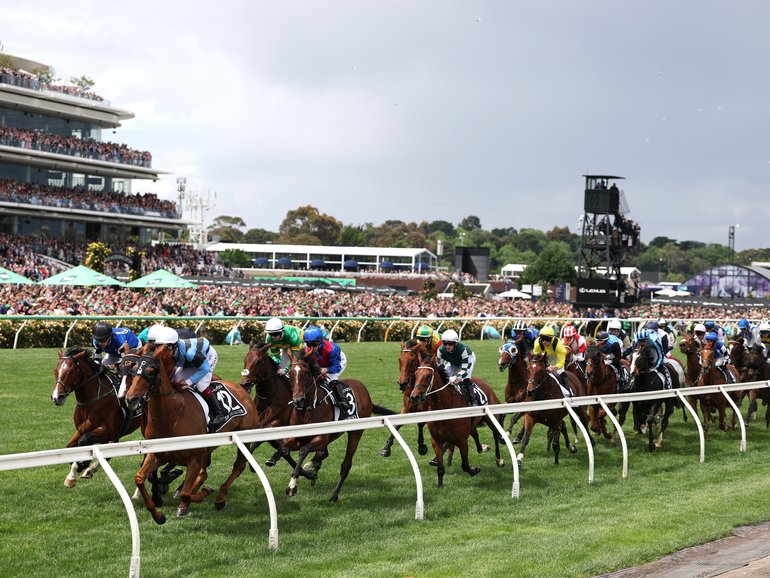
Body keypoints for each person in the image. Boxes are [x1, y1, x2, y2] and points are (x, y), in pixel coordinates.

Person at [152, 326, 225, 424]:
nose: (162, 351)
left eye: (167, 348)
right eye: (158, 346)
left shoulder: (190, 353)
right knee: (175, 381)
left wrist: (188, 382)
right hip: (189, 361)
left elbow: (205, 369)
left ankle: (219, 413)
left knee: (201, 385)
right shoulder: (171, 351)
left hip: (207, 357)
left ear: (175, 346)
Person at [301, 326, 350, 412]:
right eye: (309, 344)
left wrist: (327, 369)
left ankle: (343, 401)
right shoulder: (306, 349)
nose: (311, 347)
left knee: (331, 379)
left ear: (320, 342)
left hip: (337, 362)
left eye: (314, 344)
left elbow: (336, 367)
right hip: (321, 363)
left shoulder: (332, 349)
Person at [436, 329, 479, 406]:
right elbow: (440, 368)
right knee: (444, 378)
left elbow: (465, 371)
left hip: (467, 361)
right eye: (445, 343)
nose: (447, 346)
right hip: (453, 363)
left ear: (455, 343)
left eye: (450, 344)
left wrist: (457, 376)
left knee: (465, 378)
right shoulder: (440, 351)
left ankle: (473, 399)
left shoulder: (464, 350)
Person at [533, 325, 572, 394]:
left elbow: (561, 362)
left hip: (555, 355)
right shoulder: (537, 343)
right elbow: (537, 358)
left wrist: (555, 367)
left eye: (547, 339)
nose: (544, 342)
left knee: (560, 370)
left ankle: (568, 390)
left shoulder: (558, 345)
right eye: (542, 339)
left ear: (552, 338)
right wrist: (545, 365)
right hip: (545, 355)